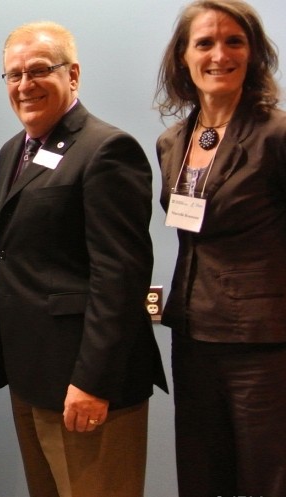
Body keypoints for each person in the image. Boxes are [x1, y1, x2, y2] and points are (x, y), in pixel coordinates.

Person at [0, 22, 167, 497]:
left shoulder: (107, 150)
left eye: (38, 70)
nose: (24, 84)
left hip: (86, 386)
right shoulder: (13, 153)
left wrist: (92, 381)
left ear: (73, 74)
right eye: (13, 74)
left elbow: (120, 277)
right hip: (33, 381)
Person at [154, 1, 286, 495]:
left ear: (253, 55)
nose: (219, 54)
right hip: (192, 334)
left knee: (266, 478)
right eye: (204, 43)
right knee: (202, 475)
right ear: (183, 58)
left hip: (263, 344)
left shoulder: (277, 134)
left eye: (234, 41)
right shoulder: (172, 141)